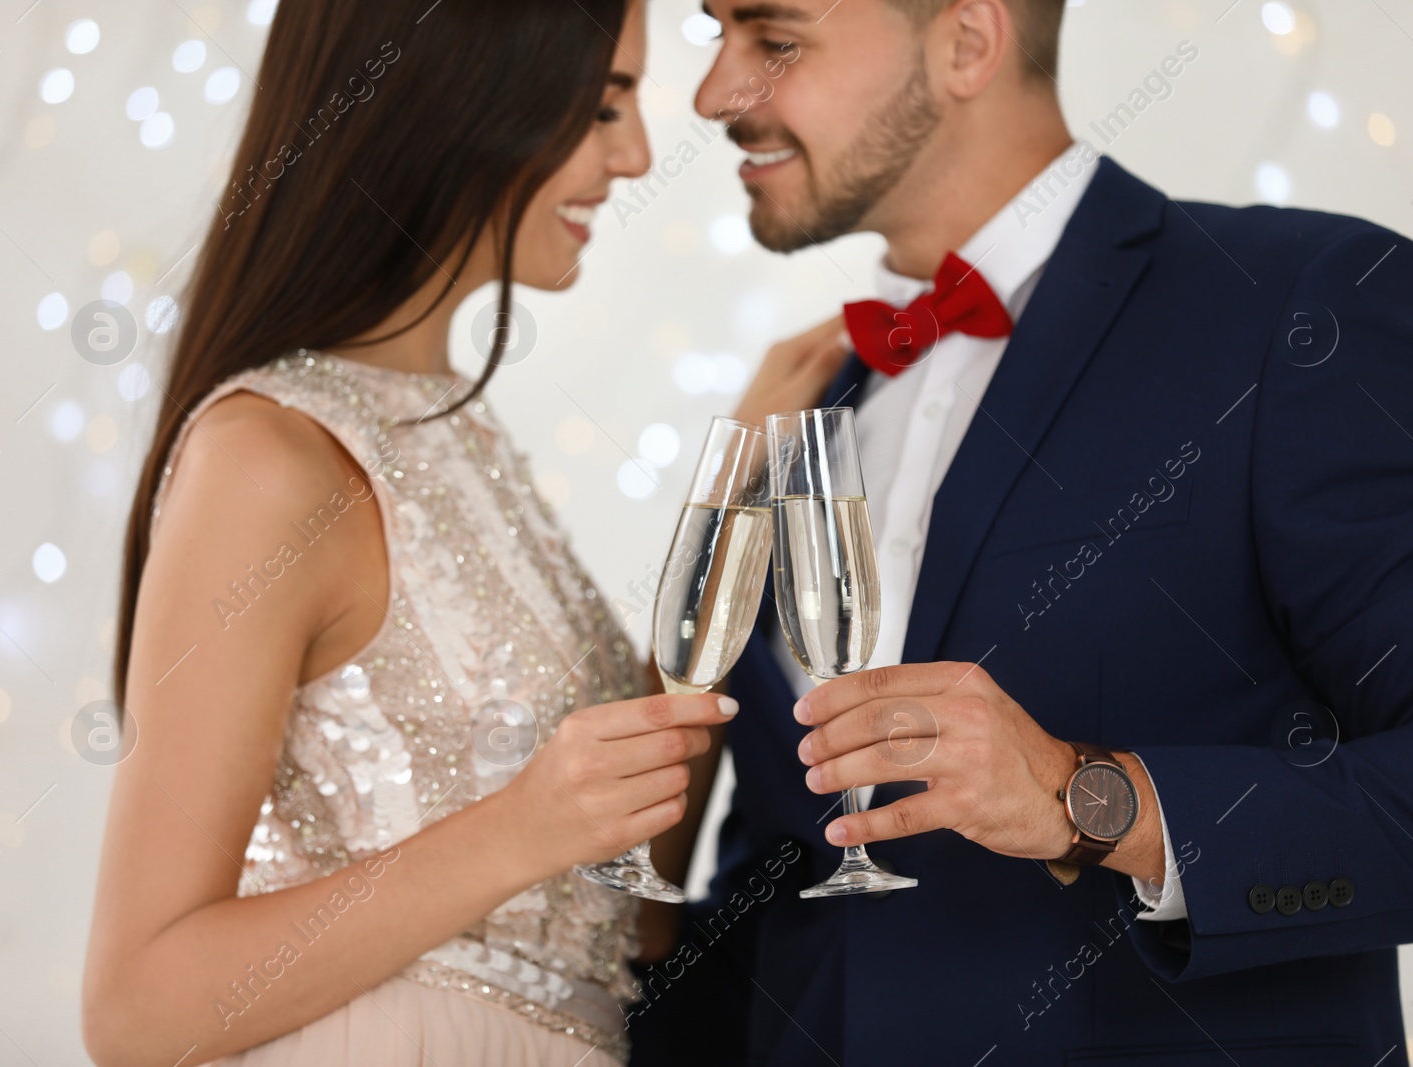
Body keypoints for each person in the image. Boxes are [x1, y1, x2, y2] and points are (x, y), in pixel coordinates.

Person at [628, 1, 1413, 1064]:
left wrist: (1090, 798)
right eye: (713, 39)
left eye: (773, 41)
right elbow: (783, 892)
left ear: (967, 41)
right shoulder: (814, 403)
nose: (717, 93)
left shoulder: (1298, 308)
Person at [80, 3, 847, 1065]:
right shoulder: (269, 458)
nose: (632, 155)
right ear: (456, 89)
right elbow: (137, 1006)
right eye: (602, 104)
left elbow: (632, 918)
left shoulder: (456, 428)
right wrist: (516, 829)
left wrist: (728, 512)